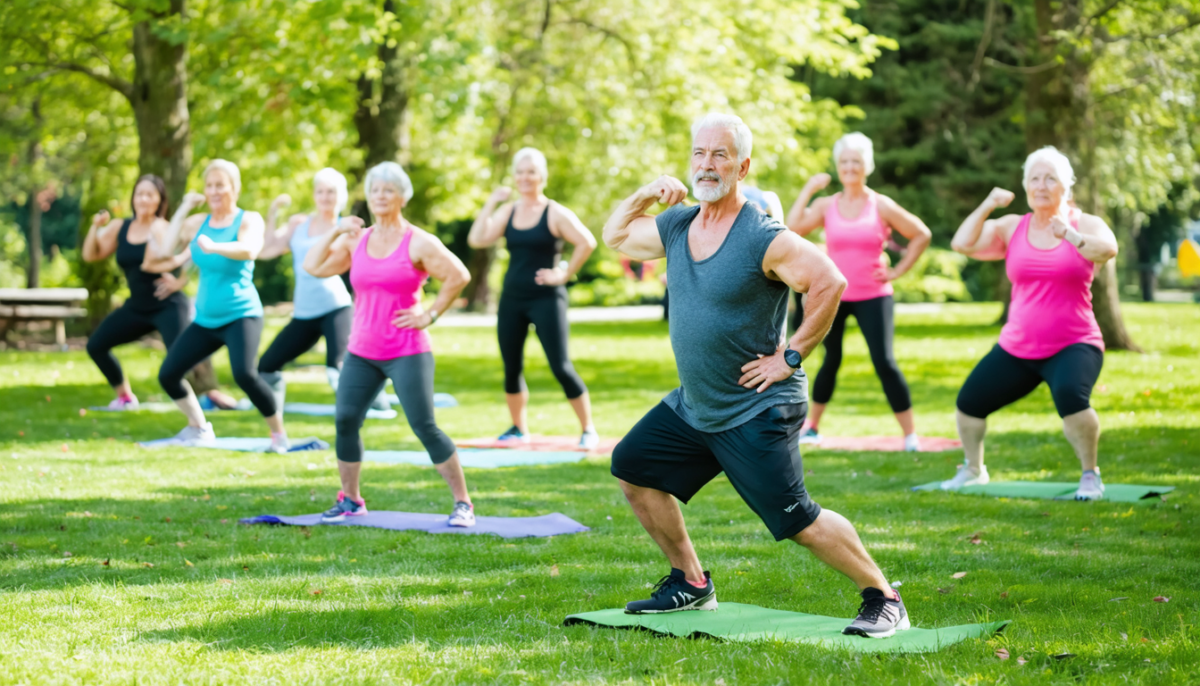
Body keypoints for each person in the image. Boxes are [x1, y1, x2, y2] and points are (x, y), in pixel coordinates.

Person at [602, 113, 910, 638]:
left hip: (756, 406)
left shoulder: (762, 235)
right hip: (697, 406)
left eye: (720, 155)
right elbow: (615, 235)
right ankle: (691, 582)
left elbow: (829, 282)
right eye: (699, 153)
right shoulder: (678, 224)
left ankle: (884, 597)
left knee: (797, 520)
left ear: (742, 168)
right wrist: (646, 194)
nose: (707, 164)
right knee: (632, 466)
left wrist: (790, 356)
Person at [305, 162, 477, 526]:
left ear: (402, 196)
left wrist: (429, 314)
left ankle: (463, 503)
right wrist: (336, 229)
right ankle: (351, 500)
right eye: (374, 190)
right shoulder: (356, 239)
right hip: (361, 351)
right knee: (345, 420)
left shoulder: (419, 241)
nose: (380, 196)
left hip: (407, 350)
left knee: (424, 426)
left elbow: (458, 275)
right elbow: (313, 266)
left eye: (388, 190)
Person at [943, 146, 1118, 500]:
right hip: (1018, 346)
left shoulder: (1084, 224)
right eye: (1034, 178)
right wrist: (988, 204)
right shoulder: (1012, 227)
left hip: (1075, 343)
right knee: (969, 403)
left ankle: (1090, 475)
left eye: (1050, 178)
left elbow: (1108, 250)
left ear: (1066, 186)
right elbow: (962, 243)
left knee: (1071, 397)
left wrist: (1069, 235)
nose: (1041, 185)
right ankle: (973, 470)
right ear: (1025, 186)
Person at [785, 133, 932, 451]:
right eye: (844, 161)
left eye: (856, 161)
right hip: (835, 295)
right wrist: (809, 189)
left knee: (884, 362)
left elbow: (921, 234)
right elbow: (792, 228)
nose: (850, 167)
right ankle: (812, 428)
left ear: (867, 166)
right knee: (830, 359)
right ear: (838, 166)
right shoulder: (826, 205)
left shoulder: (881, 204)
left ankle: (910, 435)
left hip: (874, 295)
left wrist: (897, 271)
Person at [144, 159, 288, 451]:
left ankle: (279, 435)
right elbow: (166, 248)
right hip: (206, 320)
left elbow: (250, 249)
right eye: (209, 185)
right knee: (168, 374)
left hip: (241, 314)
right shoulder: (197, 223)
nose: (214, 191)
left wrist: (215, 246)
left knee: (245, 375)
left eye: (220, 185)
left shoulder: (248, 219)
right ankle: (198, 427)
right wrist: (184, 208)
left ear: (234, 188)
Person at [468, 148, 600, 449]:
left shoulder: (554, 212)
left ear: (542, 176)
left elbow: (586, 242)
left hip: (546, 299)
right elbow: (477, 239)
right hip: (512, 299)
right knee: (511, 365)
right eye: (520, 172)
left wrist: (563, 274)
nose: (525, 177)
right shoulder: (508, 211)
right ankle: (518, 428)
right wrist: (491, 202)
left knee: (560, 366)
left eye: (531, 171)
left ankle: (588, 428)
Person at [254, 168, 359, 411]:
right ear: (314, 195)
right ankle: (273, 412)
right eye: (320, 191)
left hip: (335, 307)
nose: (325, 197)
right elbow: (266, 250)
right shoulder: (298, 224)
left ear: (340, 196)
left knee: (338, 369)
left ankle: (367, 409)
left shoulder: (345, 229)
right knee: (266, 366)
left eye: (331, 191)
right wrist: (273, 213)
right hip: (304, 312)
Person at [82, 175, 190, 409]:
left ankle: (201, 400)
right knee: (96, 346)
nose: (143, 199)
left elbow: (190, 253)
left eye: (150, 194)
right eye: (139, 194)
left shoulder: (163, 228)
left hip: (167, 304)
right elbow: (91, 255)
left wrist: (180, 282)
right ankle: (125, 398)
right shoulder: (120, 227)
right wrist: (95, 227)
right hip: (137, 307)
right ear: (133, 198)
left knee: (179, 359)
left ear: (160, 200)